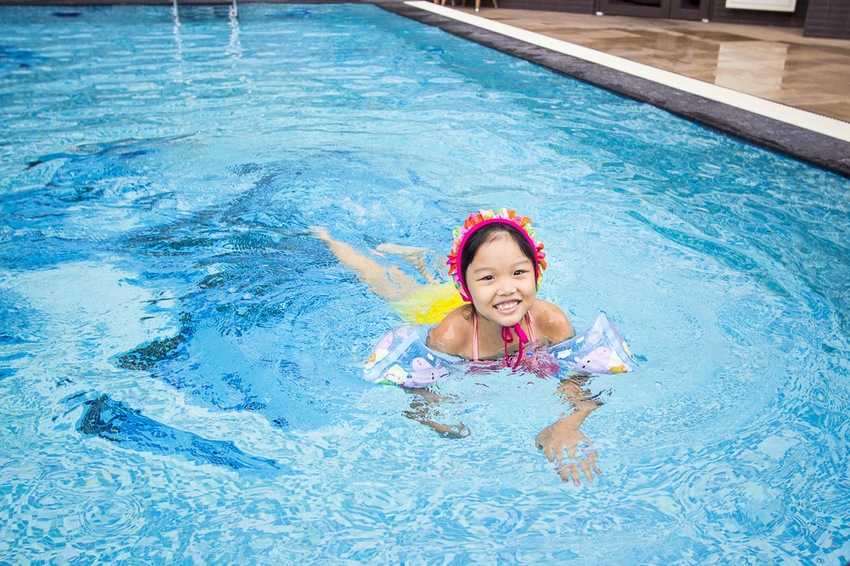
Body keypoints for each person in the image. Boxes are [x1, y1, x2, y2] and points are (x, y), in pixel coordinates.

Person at [314, 209, 603, 485]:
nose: (506, 288)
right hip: (431, 309)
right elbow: (417, 387)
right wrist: (433, 416)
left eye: (519, 273)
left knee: (441, 277)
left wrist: (567, 423)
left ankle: (422, 259)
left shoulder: (550, 321)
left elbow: (578, 378)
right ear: (465, 284)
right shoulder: (452, 335)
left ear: (536, 274)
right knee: (389, 283)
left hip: (482, 305)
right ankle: (329, 239)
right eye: (488, 277)